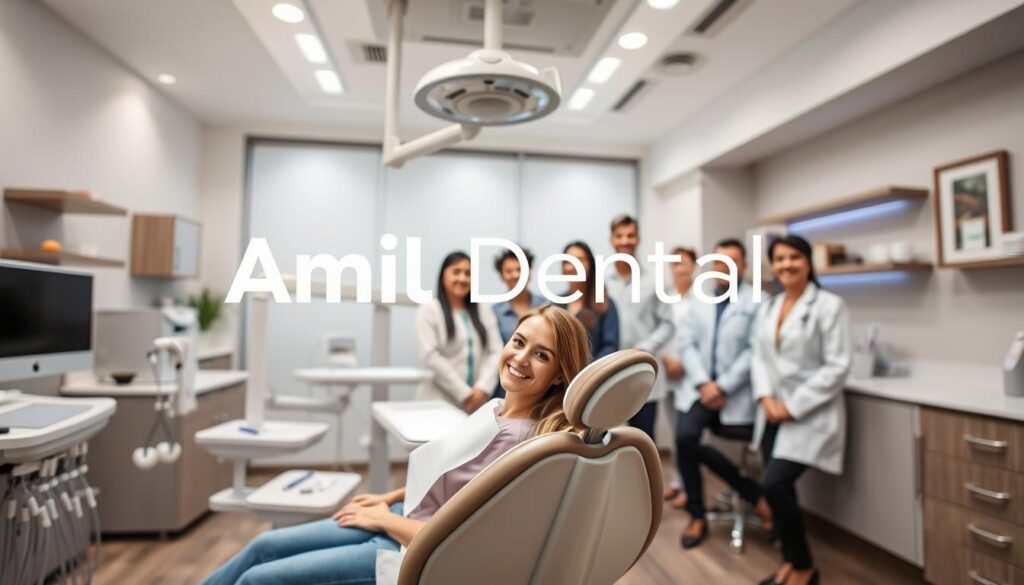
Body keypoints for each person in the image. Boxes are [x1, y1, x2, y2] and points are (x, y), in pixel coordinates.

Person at [201, 305, 592, 585]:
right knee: (262, 546)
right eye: (518, 342)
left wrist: (384, 519)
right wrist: (387, 499)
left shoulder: (522, 443)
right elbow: (452, 479)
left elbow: (465, 536)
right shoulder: (495, 411)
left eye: (541, 355)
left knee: (258, 578)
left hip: (415, 552)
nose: (521, 358)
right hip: (405, 516)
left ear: (559, 375)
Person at [752, 234, 851, 585]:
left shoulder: (829, 305)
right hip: (772, 413)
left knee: (775, 485)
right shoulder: (769, 306)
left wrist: (791, 407)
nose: (786, 264)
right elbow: (759, 357)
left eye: (794, 257)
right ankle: (790, 562)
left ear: (808, 262)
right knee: (780, 492)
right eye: (779, 259)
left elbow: (838, 366)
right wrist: (766, 398)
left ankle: (805, 567)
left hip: (808, 414)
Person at [675, 239, 771, 549]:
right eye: (718, 262)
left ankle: (752, 494)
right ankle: (699, 513)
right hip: (702, 390)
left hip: (736, 394)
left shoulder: (759, 301)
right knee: (684, 437)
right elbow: (687, 344)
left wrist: (723, 385)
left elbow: (754, 350)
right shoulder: (699, 299)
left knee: (695, 440)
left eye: (731, 262)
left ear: (743, 266)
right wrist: (704, 383)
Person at [604, 214, 675, 440]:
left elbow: (668, 324)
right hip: (607, 373)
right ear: (611, 240)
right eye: (619, 236)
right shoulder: (601, 279)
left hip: (643, 372)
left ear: (638, 239)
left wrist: (644, 348)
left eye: (630, 235)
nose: (625, 241)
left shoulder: (655, 280)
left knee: (642, 440)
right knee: (605, 440)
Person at [416, 251, 503, 413]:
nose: (462, 278)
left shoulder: (482, 309)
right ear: (443, 276)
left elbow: (496, 351)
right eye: (456, 272)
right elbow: (430, 356)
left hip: (477, 402)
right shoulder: (429, 310)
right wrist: (464, 394)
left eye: (468, 274)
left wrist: (482, 388)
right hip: (439, 401)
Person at [661, 246, 696, 510]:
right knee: (674, 433)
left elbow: (702, 337)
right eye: (675, 263)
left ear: (694, 266)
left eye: (684, 262)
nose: (679, 268)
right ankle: (676, 481)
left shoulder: (702, 299)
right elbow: (660, 331)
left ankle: (690, 488)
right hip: (667, 370)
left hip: (690, 374)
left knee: (689, 435)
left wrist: (684, 362)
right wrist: (666, 358)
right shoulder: (665, 298)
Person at [491, 246, 544, 399]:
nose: (515, 275)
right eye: (509, 271)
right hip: (503, 390)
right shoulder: (493, 313)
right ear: (502, 275)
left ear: (529, 272)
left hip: (538, 389)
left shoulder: (546, 307)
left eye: (520, 269)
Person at [559, 240, 620, 359]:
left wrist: (589, 368)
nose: (574, 266)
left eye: (580, 260)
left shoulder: (606, 304)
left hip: (596, 369)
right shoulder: (555, 304)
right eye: (568, 261)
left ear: (590, 265)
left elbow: (610, 347)